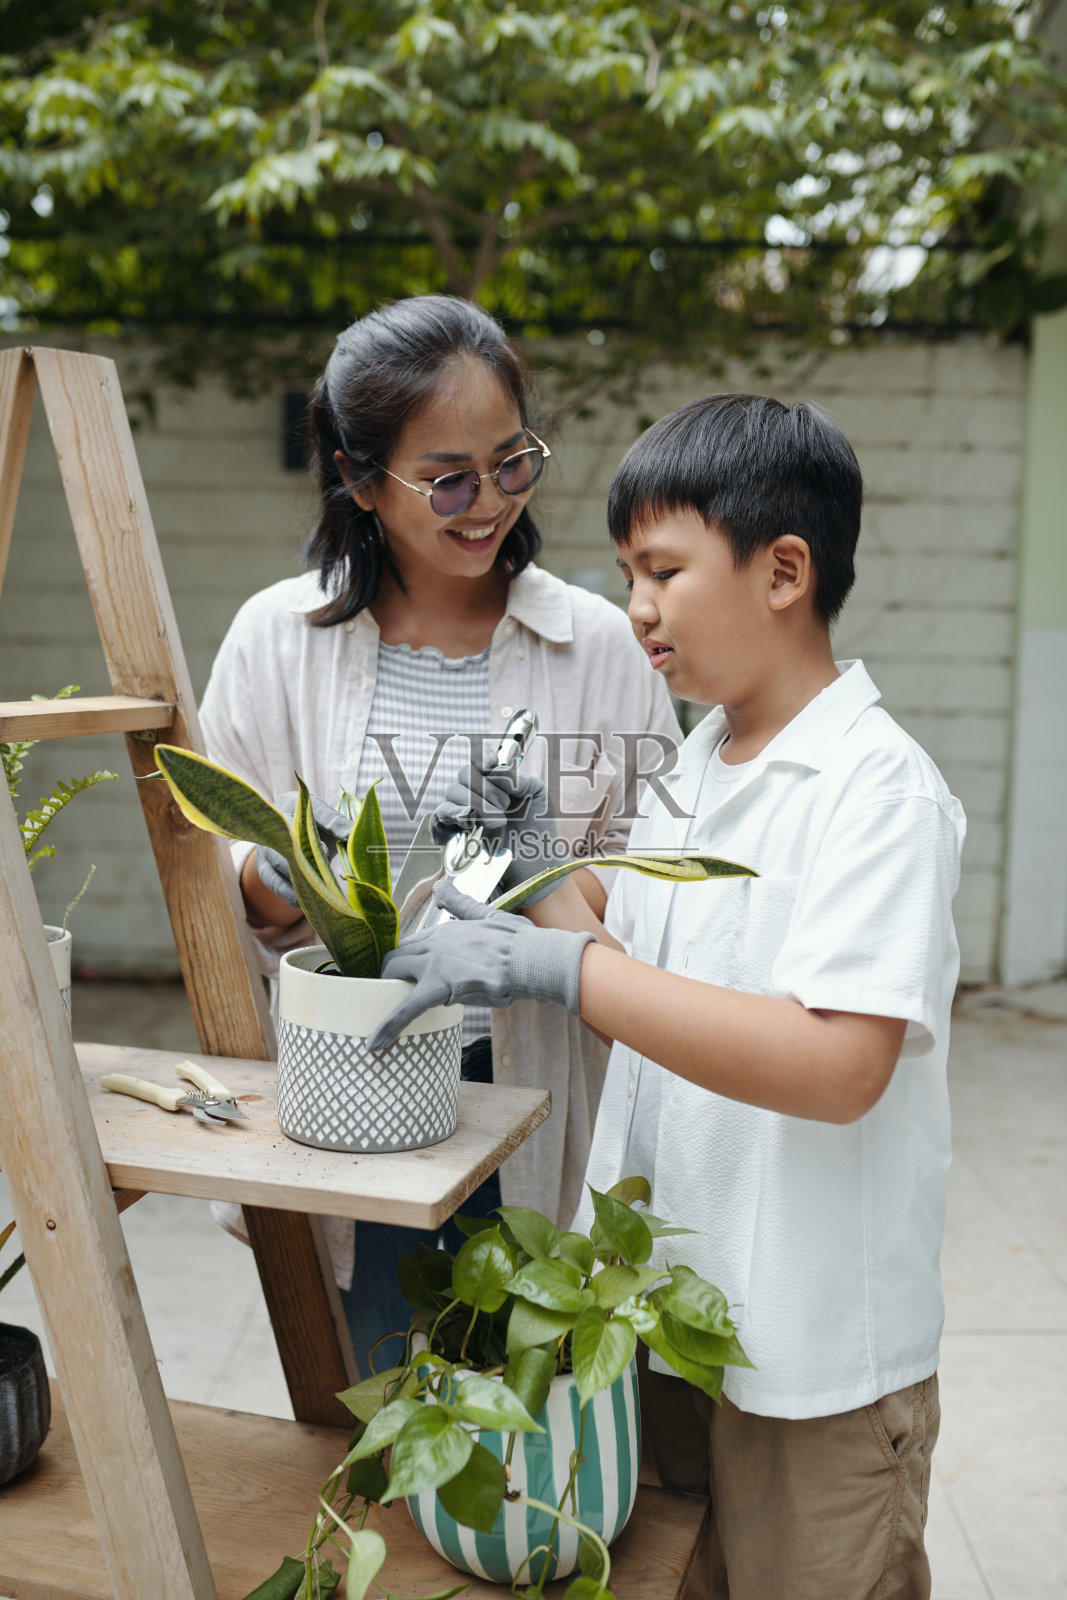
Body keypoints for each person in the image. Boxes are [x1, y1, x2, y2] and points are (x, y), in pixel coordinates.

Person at [370, 393, 966, 1600]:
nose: (634, 607)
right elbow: (629, 957)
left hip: (811, 1368)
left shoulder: (873, 790)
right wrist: (538, 869)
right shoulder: (700, 757)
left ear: (782, 569)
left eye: (661, 571)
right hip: (666, 1322)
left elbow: (837, 1065)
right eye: (628, 573)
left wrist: (565, 971)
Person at [197, 294, 680, 1373]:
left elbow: (650, 883)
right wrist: (287, 880)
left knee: (543, 1432)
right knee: (384, 1417)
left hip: (536, 1093)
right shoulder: (278, 641)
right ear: (360, 480)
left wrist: (544, 880)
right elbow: (212, 866)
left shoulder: (598, 645)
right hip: (356, 1095)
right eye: (447, 478)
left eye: (512, 464)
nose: (488, 504)